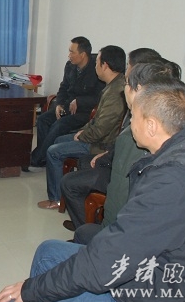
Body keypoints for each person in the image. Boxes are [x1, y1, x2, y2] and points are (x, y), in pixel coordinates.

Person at [0, 77, 185, 302]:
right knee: (48, 251)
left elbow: (106, 263)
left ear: (151, 125)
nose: (130, 124)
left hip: (150, 295)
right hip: (162, 268)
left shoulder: (172, 182)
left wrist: (31, 290)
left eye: (134, 116)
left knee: (15, 299)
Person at [72, 60, 182, 243]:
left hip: (125, 238)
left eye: (127, 82)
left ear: (138, 89)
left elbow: (118, 201)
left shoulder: (136, 136)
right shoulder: (180, 131)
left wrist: (105, 236)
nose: (123, 86)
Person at [59, 48, 168, 230]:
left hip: (117, 166)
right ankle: (89, 222)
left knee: (69, 178)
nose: (125, 72)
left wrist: (104, 155)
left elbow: (123, 151)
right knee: (82, 163)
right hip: (112, 156)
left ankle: (88, 230)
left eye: (128, 66)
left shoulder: (143, 115)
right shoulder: (134, 99)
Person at [38, 45, 126, 210]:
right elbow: (97, 120)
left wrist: (82, 135)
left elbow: (101, 130)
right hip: (95, 136)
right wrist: (83, 130)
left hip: (101, 144)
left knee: (53, 151)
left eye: (97, 62)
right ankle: (62, 191)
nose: (95, 66)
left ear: (105, 65)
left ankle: (56, 199)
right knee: (58, 140)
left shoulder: (116, 93)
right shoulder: (112, 85)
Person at [24, 36, 105, 171]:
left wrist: (80, 101)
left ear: (83, 54)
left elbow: (100, 97)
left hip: (86, 112)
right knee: (43, 119)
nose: (69, 55)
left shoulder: (96, 70)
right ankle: (43, 157)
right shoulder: (70, 66)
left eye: (72, 52)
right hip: (67, 106)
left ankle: (36, 159)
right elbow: (63, 87)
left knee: (59, 125)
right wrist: (59, 104)